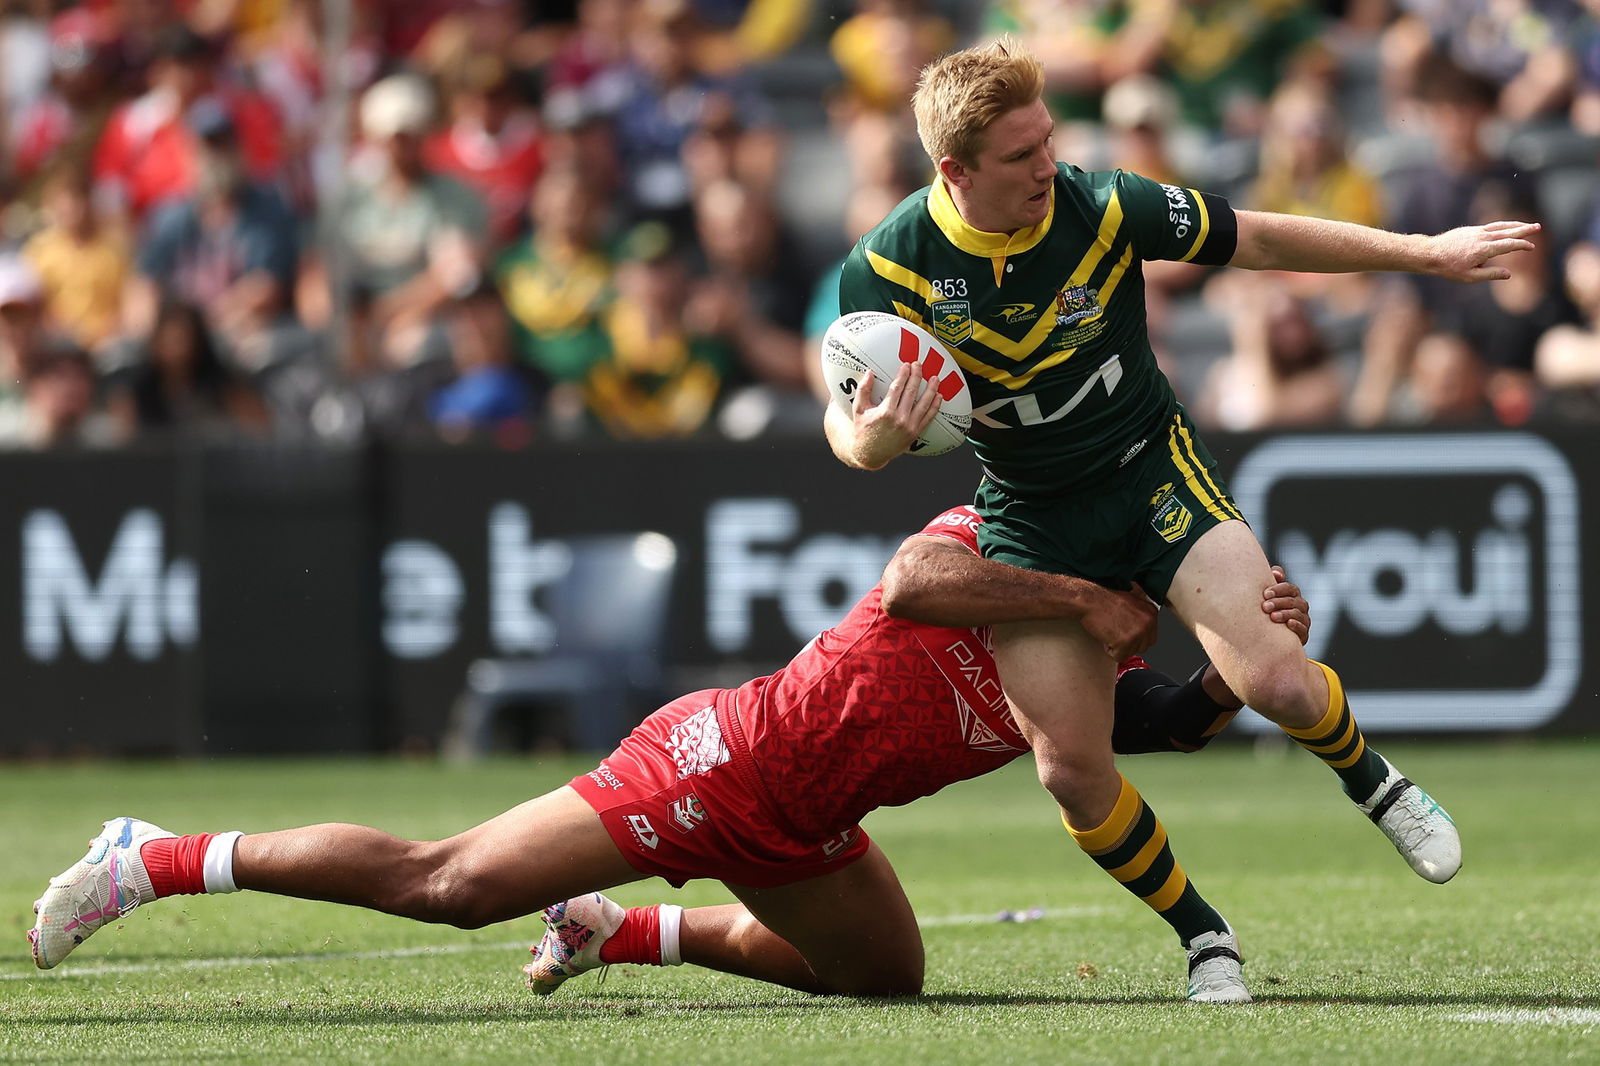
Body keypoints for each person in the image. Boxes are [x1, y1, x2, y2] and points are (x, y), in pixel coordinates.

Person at [831, 37, 1518, 995]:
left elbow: (1263, 236)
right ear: (957, 171)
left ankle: (1377, 784)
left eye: (1048, 138)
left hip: (1152, 470)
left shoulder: (1106, 203)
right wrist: (872, 443)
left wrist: (1423, 256)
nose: (1048, 164)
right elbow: (847, 418)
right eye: (1023, 155)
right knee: (1070, 771)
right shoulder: (888, 270)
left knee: (1275, 678)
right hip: (1030, 515)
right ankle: (1206, 938)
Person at [29, 504, 1311, 1005]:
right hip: (720, 765)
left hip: (806, 823)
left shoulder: (1094, 639)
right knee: (453, 885)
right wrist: (1084, 602)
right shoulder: (1001, 535)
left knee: (882, 981)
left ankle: (617, 932)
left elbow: (1153, 725)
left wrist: (1232, 678)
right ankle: (157, 856)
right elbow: (913, 581)